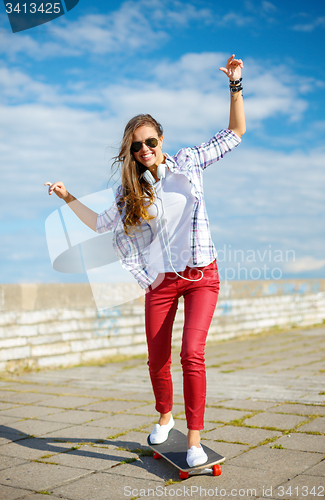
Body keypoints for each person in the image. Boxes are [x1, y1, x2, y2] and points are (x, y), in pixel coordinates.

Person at [45, 54, 246, 467]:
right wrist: (67, 197)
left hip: (202, 275)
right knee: (157, 357)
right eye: (136, 146)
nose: (144, 150)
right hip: (161, 281)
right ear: (131, 152)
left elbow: (236, 132)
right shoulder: (130, 195)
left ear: (161, 142)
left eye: (150, 142)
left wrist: (235, 85)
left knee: (192, 352)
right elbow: (102, 224)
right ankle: (165, 415)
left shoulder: (189, 162)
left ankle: (194, 440)